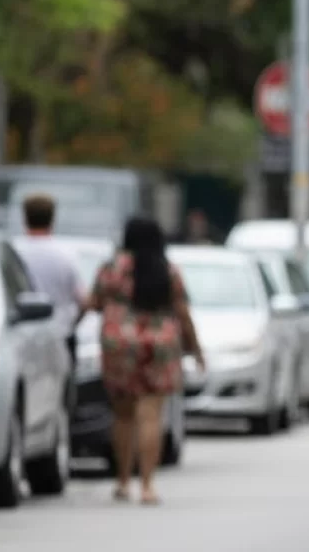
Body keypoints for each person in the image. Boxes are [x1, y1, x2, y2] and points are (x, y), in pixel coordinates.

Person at [86, 216, 204, 505]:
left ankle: (123, 481)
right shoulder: (167, 270)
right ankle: (148, 485)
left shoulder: (111, 268)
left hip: (120, 345)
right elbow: (182, 312)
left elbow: (93, 302)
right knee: (151, 414)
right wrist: (196, 349)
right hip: (158, 344)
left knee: (123, 415)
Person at [12, 195, 86, 386]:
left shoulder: (14, 251)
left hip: (20, 336)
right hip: (59, 332)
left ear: (24, 218)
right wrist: (73, 322)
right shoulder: (66, 254)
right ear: (52, 219)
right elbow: (82, 299)